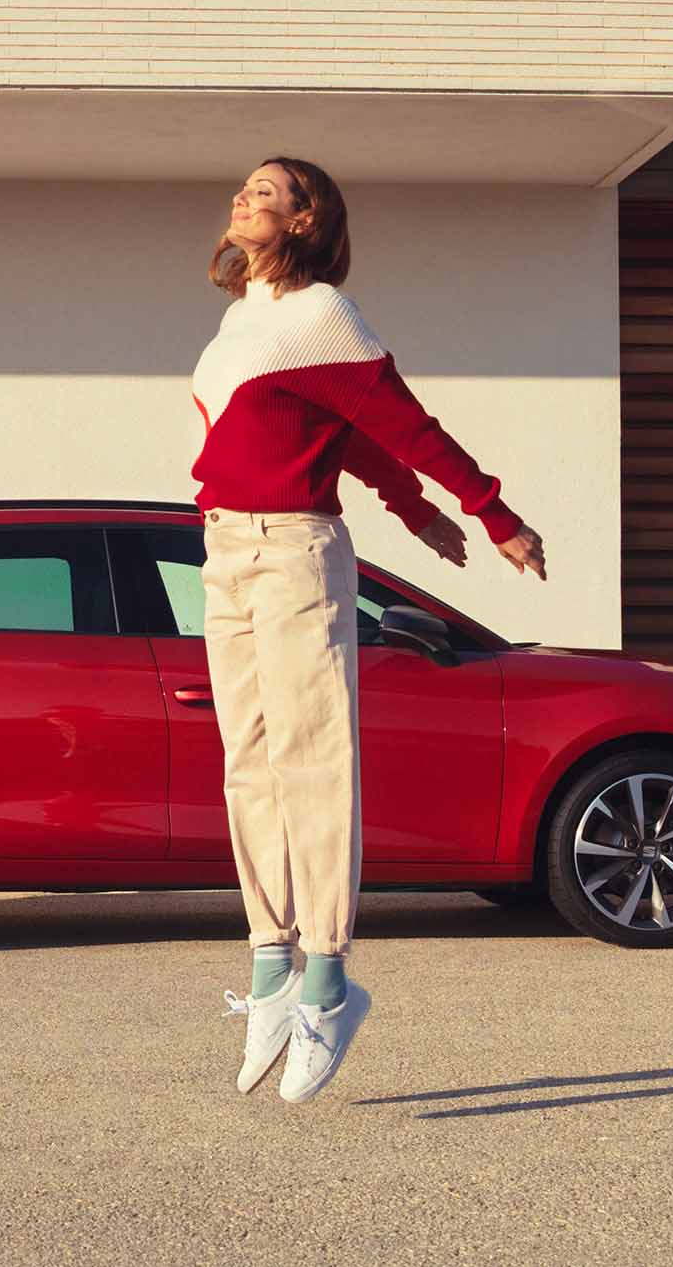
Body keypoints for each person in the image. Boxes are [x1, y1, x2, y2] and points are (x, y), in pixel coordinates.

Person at [197, 156, 546, 1103]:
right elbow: (336, 432)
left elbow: (401, 422)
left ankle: (329, 979)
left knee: (313, 762)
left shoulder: (322, 314)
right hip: (225, 551)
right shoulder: (242, 322)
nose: (244, 198)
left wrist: (489, 511)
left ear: (307, 221)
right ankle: (271, 960)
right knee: (249, 761)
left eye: (265, 192)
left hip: (296, 552)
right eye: (244, 188)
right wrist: (408, 510)